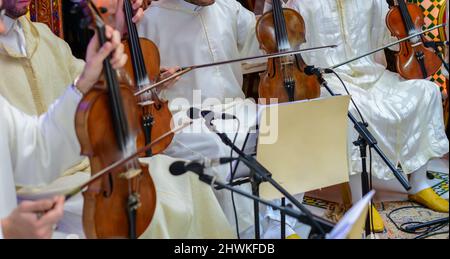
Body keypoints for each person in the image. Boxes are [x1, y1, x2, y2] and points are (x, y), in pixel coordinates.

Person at [284, 0, 449, 231]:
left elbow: (390, 42)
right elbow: (291, 51)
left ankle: (419, 185)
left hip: (373, 76)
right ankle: (360, 200)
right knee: (350, 110)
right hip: (328, 79)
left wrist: (406, 29)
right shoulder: (302, 3)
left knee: (426, 92)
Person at [0, 1, 128, 237]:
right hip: (37, 191)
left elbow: (38, 145)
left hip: (82, 168)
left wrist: (92, 75)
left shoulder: (44, 37)